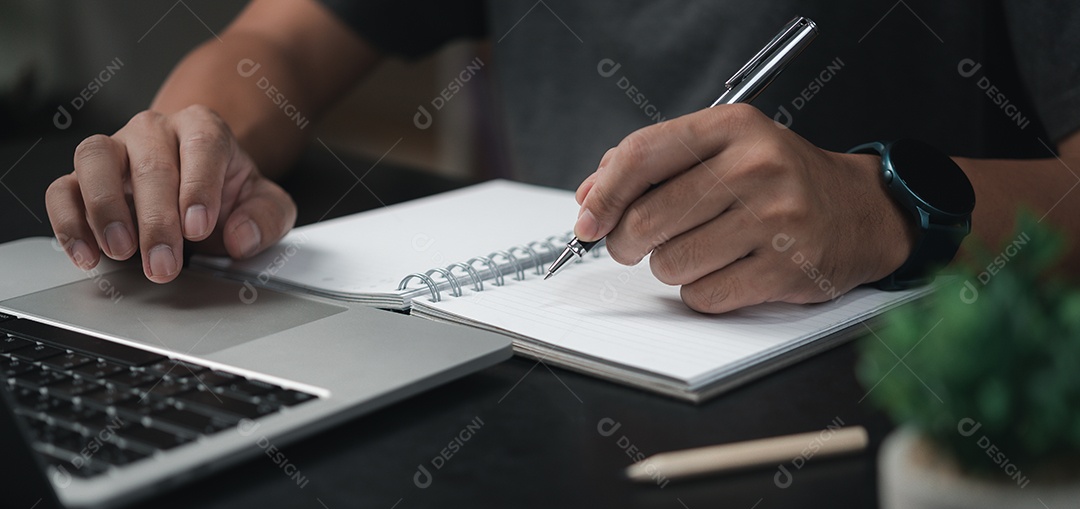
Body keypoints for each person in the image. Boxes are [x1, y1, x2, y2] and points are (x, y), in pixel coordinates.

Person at [45, 0, 1080, 313]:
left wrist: (879, 208)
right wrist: (190, 143)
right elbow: (273, 45)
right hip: (547, 413)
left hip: (925, 428)